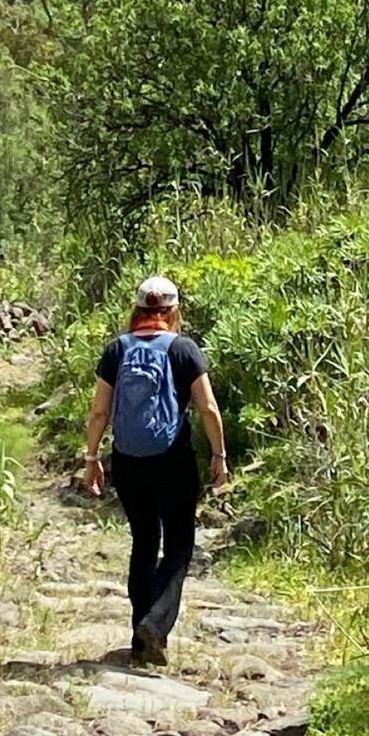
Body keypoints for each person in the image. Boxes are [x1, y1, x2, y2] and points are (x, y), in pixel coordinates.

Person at [84, 276, 229, 666]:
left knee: (144, 542)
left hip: (129, 460)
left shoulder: (117, 349)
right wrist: (219, 456)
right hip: (174, 459)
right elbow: (208, 409)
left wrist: (92, 458)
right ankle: (155, 624)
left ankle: (140, 636)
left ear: (138, 309)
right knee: (180, 544)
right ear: (173, 310)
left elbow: (100, 411)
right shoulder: (184, 349)